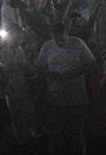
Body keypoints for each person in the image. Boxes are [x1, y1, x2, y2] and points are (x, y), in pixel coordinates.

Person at [34, 20, 95, 155]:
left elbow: (92, 64)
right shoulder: (47, 46)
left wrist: (75, 72)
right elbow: (39, 67)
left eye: (63, 40)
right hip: (55, 99)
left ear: (67, 35)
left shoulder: (78, 43)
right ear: (52, 37)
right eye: (58, 40)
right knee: (56, 135)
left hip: (76, 98)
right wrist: (50, 74)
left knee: (77, 134)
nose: (61, 43)